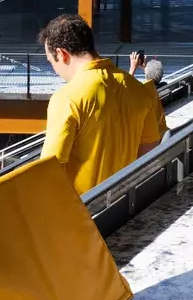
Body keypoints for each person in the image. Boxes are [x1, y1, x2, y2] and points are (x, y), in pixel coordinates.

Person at [39, 13, 167, 194]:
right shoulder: (138, 90)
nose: (54, 69)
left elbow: (49, 171)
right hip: (123, 204)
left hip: (83, 210)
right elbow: (148, 153)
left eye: (51, 61)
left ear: (62, 54)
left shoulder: (66, 98)